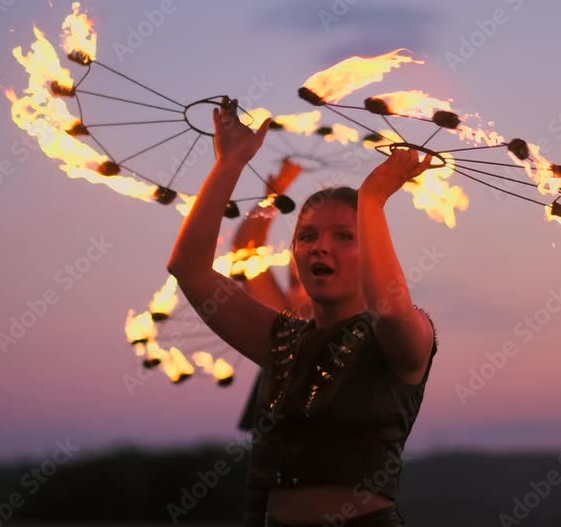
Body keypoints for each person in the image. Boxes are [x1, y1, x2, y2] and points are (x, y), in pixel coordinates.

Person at [167, 97, 437, 527]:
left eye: (344, 235)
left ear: (374, 253)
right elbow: (190, 269)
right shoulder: (282, 339)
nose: (320, 246)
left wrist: (372, 201)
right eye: (306, 236)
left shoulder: (405, 335)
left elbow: (388, 308)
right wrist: (230, 163)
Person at [231, 158, 313, 526]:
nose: (301, 293)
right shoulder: (286, 329)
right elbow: (246, 253)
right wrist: (271, 200)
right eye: (294, 283)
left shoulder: (368, 334)